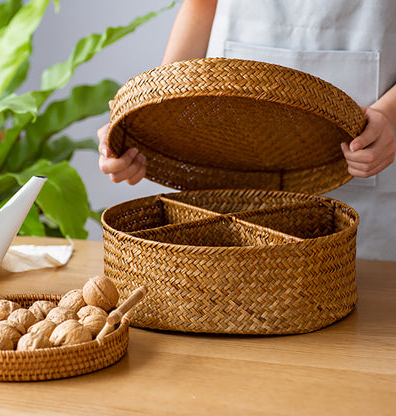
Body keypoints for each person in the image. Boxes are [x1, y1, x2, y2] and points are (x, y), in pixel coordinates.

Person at [97, 0, 396, 261]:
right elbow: (202, 3)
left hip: (370, 153)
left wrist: (390, 115)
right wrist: (151, 114)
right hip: (227, 152)